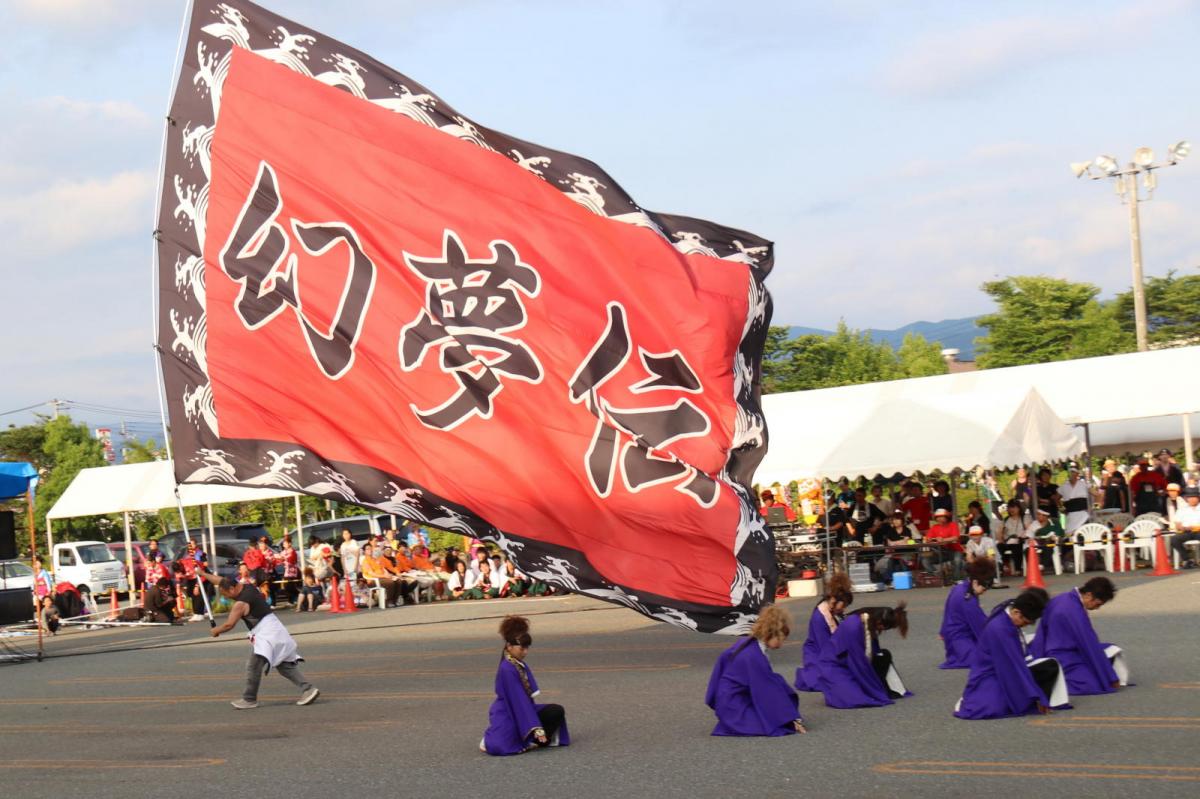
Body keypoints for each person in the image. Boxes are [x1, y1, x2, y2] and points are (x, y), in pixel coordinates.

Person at [201, 573, 320, 710]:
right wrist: (202, 573)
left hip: (267, 635)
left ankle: (249, 699)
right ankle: (309, 689)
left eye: (225, 595)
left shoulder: (241, 603)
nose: (226, 598)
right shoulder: (248, 587)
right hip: (276, 629)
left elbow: (229, 625)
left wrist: (216, 631)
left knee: (253, 665)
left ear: (232, 589)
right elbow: (222, 580)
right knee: (284, 666)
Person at [954, 588, 1070, 719]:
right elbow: (1013, 667)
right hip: (991, 674)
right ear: (1016, 612)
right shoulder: (1000, 629)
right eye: (1025, 622)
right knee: (994, 706)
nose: (1025, 626)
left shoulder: (1007, 613)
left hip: (1003, 667)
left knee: (1049, 666)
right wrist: (1038, 697)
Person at [706, 606, 806, 736]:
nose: (782, 644)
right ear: (772, 633)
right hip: (733, 705)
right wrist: (789, 719)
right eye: (781, 639)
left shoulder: (748, 643)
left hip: (729, 698)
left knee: (777, 681)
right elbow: (766, 690)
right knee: (771, 725)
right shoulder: (753, 656)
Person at [481, 616, 569, 755]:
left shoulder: (515, 662)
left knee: (556, 711)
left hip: (522, 708)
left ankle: (535, 739)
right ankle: (491, 738)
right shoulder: (507, 668)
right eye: (522, 648)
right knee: (500, 745)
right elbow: (519, 701)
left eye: (527, 648)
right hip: (509, 711)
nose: (525, 652)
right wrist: (535, 726)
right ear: (509, 646)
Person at [1029, 577, 1127, 695]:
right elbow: (1090, 645)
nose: (1097, 608)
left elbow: (1042, 632)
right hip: (1062, 656)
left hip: (1052, 649)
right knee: (1091, 683)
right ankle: (1052, 683)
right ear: (1089, 595)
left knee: (1110, 648)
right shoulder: (1074, 611)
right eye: (1097, 604)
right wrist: (1110, 677)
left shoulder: (1062, 598)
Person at [817, 603, 910, 708]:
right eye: (884, 627)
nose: (883, 630)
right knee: (854, 698)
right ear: (879, 621)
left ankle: (882, 687)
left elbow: (870, 653)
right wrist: (875, 689)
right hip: (835, 665)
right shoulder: (854, 626)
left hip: (848, 660)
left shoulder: (867, 622)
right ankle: (877, 688)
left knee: (884, 655)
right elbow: (859, 662)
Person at [794, 572, 853, 692]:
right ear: (835, 600)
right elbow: (825, 648)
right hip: (818, 653)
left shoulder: (834, 610)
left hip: (829, 648)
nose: (844, 608)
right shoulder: (819, 617)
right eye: (844, 605)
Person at [938, 558, 994, 669]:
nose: (985, 591)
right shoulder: (967, 600)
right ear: (975, 582)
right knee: (988, 658)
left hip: (953, 635)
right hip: (960, 638)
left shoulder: (960, 587)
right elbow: (980, 626)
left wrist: (943, 631)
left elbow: (947, 611)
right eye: (984, 588)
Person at [923, 508, 964, 582]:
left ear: (947, 517)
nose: (939, 518)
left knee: (957, 560)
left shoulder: (953, 525)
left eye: (942, 516)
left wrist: (943, 539)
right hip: (941, 551)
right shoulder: (934, 527)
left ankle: (956, 579)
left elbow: (955, 537)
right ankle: (938, 577)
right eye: (937, 517)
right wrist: (929, 539)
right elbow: (928, 538)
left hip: (955, 550)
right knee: (925, 560)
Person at [1169, 485, 1200, 568]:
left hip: (1199, 531)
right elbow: (1177, 524)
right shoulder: (1182, 509)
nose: (1192, 499)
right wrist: (1182, 527)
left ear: (1198, 498)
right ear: (1186, 499)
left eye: (1194, 497)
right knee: (1174, 539)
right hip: (1187, 531)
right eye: (1190, 497)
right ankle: (1187, 559)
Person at [1057, 464, 1090, 535]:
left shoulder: (1083, 484)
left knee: (1084, 532)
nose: (1071, 474)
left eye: (1073, 472)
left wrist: (1094, 506)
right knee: (1070, 534)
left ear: (1077, 474)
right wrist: (1061, 508)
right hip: (1070, 514)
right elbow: (1056, 498)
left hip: (1083, 514)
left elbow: (1096, 493)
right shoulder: (1064, 486)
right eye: (1070, 472)